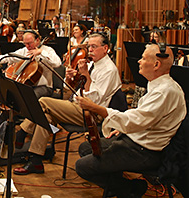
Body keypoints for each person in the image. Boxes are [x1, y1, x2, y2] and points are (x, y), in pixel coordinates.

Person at [75, 43, 186, 197]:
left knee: (82, 167)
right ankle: (120, 184)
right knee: (85, 148)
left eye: (143, 58)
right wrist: (121, 128)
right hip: (137, 140)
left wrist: (96, 108)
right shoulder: (158, 85)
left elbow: (136, 120)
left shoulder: (164, 91)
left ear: (156, 64)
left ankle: (130, 188)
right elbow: (144, 117)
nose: (139, 61)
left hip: (145, 151)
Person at [11, 33, 121, 175]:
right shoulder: (93, 63)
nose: (90, 50)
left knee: (43, 101)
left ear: (105, 48)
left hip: (92, 113)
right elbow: (75, 90)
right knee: (46, 116)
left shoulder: (108, 70)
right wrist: (71, 79)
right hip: (78, 105)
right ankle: (36, 161)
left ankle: (22, 131)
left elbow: (92, 101)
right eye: (89, 47)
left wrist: (85, 75)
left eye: (94, 47)